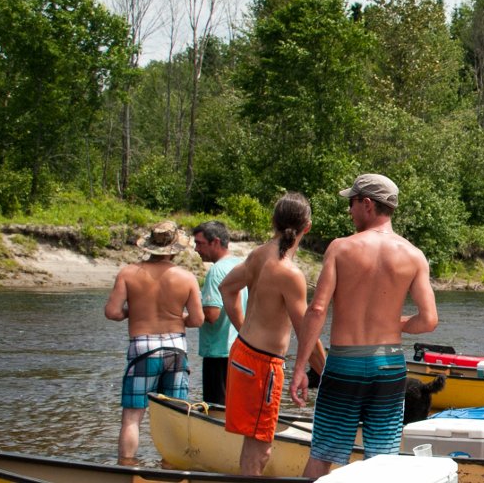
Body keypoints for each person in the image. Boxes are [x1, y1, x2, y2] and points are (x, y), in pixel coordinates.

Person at [291, 174, 439, 478]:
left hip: (346, 364)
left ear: (367, 204)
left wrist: (299, 368)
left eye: (352, 203)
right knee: (382, 461)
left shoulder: (340, 248)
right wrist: (395, 323)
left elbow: (317, 309)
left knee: (323, 455)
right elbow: (428, 321)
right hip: (389, 366)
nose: (349, 211)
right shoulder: (414, 255)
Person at [219, 193, 327, 476]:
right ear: (308, 226)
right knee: (260, 450)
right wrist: (328, 375)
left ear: (273, 222)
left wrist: (244, 330)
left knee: (252, 443)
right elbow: (307, 332)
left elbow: (227, 289)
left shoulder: (257, 254)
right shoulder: (289, 273)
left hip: (242, 353)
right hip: (261, 365)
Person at [104, 221, 203, 465]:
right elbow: (198, 319)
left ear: (149, 246)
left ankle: (127, 468)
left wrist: (134, 312)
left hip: (143, 348)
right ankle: (169, 468)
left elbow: (112, 312)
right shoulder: (187, 277)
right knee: (175, 415)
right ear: (174, 248)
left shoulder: (128, 273)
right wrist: (179, 318)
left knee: (132, 416)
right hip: (176, 348)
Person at [192, 220, 246, 403]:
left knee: (217, 410)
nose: (195, 249)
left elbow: (211, 315)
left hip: (218, 353)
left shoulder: (216, 271)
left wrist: (183, 315)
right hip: (240, 350)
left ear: (215, 242)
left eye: (199, 243)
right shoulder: (240, 265)